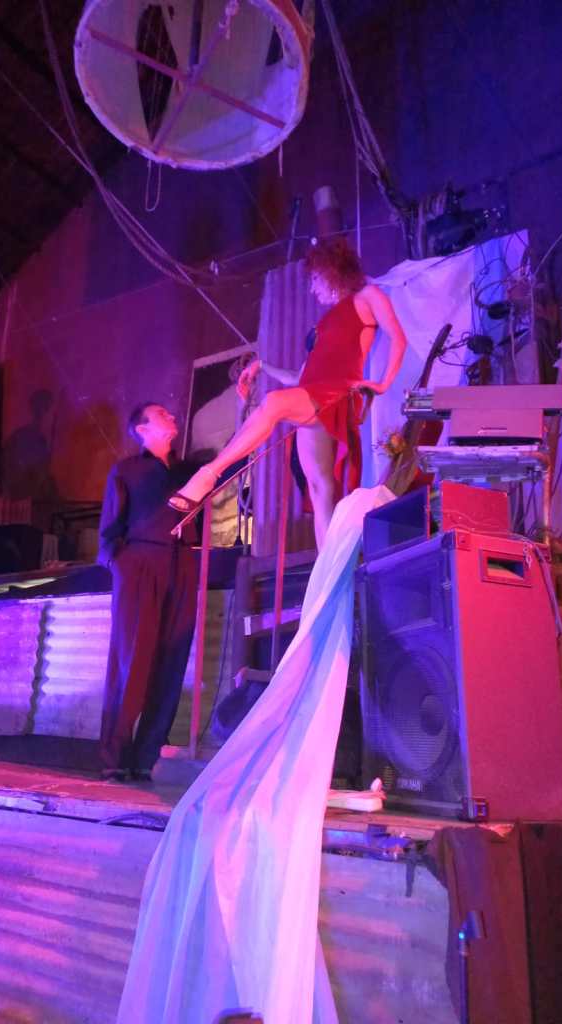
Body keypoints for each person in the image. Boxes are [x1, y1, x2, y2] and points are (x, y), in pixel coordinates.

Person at [169, 237, 407, 548]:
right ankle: (327, 565)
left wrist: (384, 383)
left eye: (315, 279)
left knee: (272, 404)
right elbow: (299, 376)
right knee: (320, 490)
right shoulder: (325, 322)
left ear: (331, 270)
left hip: (336, 393)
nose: (313, 289)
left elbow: (398, 337)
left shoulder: (367, 296)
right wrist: (262, 366)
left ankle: (208, 474)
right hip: (312, 394)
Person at [97, 402, 199, 782]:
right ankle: (115, 757)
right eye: (161, 413)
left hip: (182, 561)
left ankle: (146, 757)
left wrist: (247, 404)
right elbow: (110, 529)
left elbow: (232, 463)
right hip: (139, 561)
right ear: (142, 429)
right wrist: (120, 564)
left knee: (171, 660)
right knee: (132, 659)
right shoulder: (127, 469)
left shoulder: (189, 471)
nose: (171, 415)